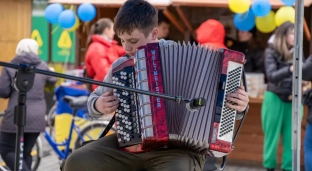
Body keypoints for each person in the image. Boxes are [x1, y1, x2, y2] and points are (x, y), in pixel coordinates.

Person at [62, 1, 249, 171]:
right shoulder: (121, 65)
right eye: (122, 40)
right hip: (131, 145)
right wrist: (98, 105)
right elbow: (93, 102)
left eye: (133, 41)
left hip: (178, 151)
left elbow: (227, 107)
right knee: (76, 161)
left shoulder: (183, 57)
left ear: (153, 33)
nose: (126, 48)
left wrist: (240, 107)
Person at [0, 38, 57, 171]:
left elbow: (3, 91)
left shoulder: (10, 65)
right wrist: (51, 70)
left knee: (6, 147)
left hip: (16, 115)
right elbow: (52, 80)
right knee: (26, 152)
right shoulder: (42, 65)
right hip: (37, 116)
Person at [261, 22, 301, 171]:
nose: (295, 37)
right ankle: (269, 167)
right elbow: (271, 76)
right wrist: (290, 69)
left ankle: (288, 168)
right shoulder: (271, 51)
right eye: (292, 33)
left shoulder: (298, 51)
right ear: (283, 35)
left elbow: (301, 72)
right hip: (274, 98)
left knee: (292, 140)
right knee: (271, 137)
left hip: (294, 99)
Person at [85, 18, 125, 91]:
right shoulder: (96, 48)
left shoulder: (109, 46)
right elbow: (103, 74)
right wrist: (124, 77)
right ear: (106, 30)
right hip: (103, 92)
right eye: (113, 29)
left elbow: (125, 50)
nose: (114, 33)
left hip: (111, 87)